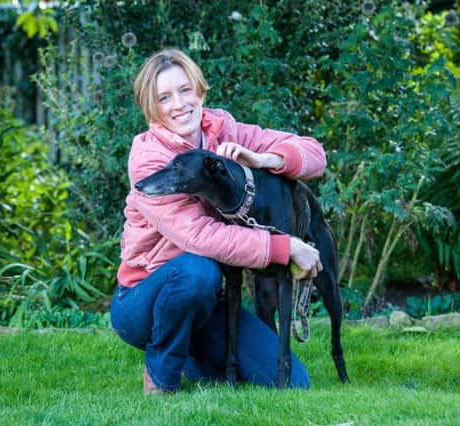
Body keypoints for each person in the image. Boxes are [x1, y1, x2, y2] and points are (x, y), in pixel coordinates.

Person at [110, 48, 327, 394]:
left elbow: (314, 153)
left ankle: (192, 355)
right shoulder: (149, 159)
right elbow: (201, 236)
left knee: (290, 381)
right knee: (198, 268)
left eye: (184, 90)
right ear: (152, 107)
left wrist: (263, 157)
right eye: (164, 97)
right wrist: (286, 248)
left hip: (207, 299)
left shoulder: (224, 131)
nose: (179, 104)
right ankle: (161, 374)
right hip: (143, 301)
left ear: (199, 89)